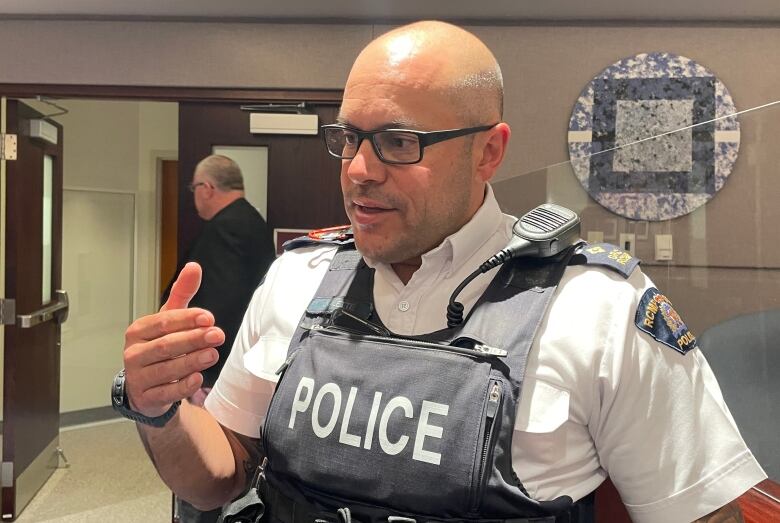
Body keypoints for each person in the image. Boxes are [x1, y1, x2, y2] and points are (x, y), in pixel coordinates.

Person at [116, 22, 766, 523]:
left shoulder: (597, 310)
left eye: (400, 142)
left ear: (489, 151)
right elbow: (220, 473)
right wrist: (159, 410)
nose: (359, 169)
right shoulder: (298, 280)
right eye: (349, 137)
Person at [160, 154, 275, 522]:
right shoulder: (252, 220)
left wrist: (200, 377)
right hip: (234, 369)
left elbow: (218, 309)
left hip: (215, 376)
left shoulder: (226, 229)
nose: (195, 197)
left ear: (207, 189)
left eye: (195, 189)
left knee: (204, 484)